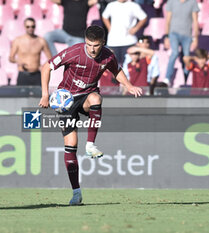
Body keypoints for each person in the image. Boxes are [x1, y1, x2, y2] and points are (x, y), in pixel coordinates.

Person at [38, 25, 142, 205]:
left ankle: (91, 145)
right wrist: (45, 94)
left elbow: (116, 70)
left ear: (103, 43)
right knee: (71, 145)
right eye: (88, 45)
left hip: (87, 96)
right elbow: (46, 67)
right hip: (67, 99)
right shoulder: (74, 52)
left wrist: (129, 85)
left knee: (96, 98)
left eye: (95, 45)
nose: (92, 49)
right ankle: (76, 192)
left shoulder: (108, 55)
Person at [164, 0, 199, 85]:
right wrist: (166, 36)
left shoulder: (192, 2)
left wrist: (196, 38)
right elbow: (168, 20)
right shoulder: (171, 2)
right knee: (175, 53)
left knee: (186, 56)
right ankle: (167, 78)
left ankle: (186, 79)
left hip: (187, 35)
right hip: (174, 33)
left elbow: (195, 21)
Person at [102, 0, 147, 66]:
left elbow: (143, 17)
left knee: (129, 68)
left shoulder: (133, 5)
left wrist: (136, 28)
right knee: (113, 67)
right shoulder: (111, 5)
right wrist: (109, 28)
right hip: (113, 42)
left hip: (129, 42)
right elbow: (104, 16)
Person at [9, 17, 52, 86]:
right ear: (24, 27)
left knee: (39, 95)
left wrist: (43, 66)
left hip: (37, 74)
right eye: (28, 26)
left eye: (32, 26)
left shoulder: (41, 41)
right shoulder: (18, 40)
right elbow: (11, 58)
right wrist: (18, 61)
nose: (30, 28)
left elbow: (50, 58)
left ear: (35, 26)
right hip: (23, 74)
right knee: (21, 96)